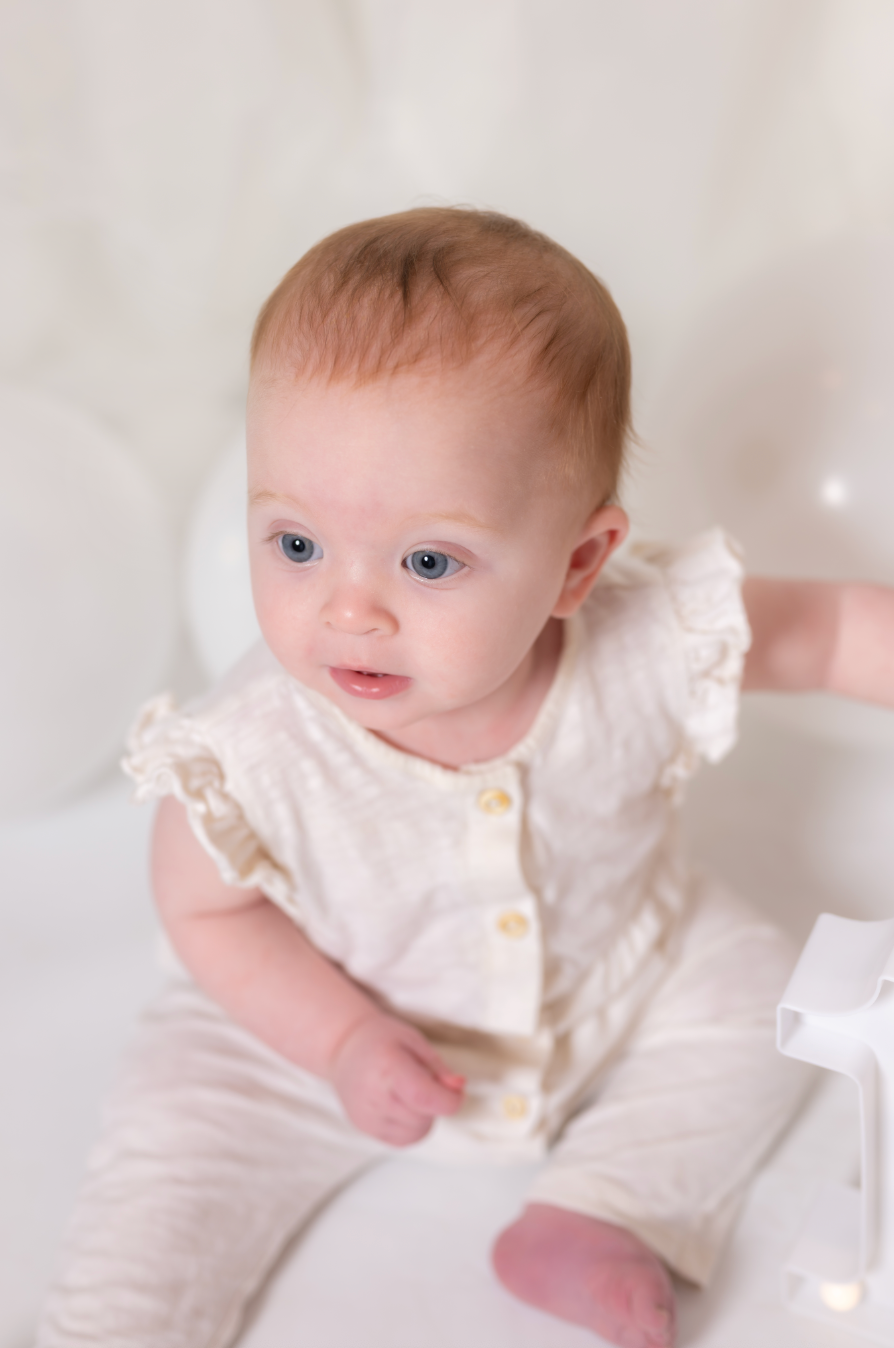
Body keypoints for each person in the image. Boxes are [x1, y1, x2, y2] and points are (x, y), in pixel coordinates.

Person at [37, 208, 894, 1348]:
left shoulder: (653, 631)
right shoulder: (250, 746)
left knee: (756, 989)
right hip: (305, 1031)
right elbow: (204, 909)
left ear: (578, 564)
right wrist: (339, 1042)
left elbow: (833, 629)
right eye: (294, 543)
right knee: (172, 1166)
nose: (349, 607)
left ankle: (606, 1208)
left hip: (615, 976)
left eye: (429, 560)